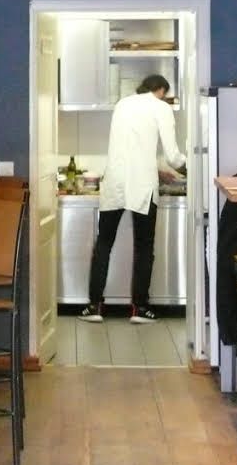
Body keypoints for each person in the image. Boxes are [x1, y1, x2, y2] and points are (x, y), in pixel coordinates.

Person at [79, 74, 186, 324]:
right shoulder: (161, 107)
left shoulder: (122, 105)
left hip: (114, 183)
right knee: (144, 247)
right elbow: (173, 156)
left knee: (104, 243)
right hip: (142, 188)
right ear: (161, 90)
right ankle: (140, 309)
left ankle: (94, 306)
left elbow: (130, 149)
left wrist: (155, 169)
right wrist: (190, 170)